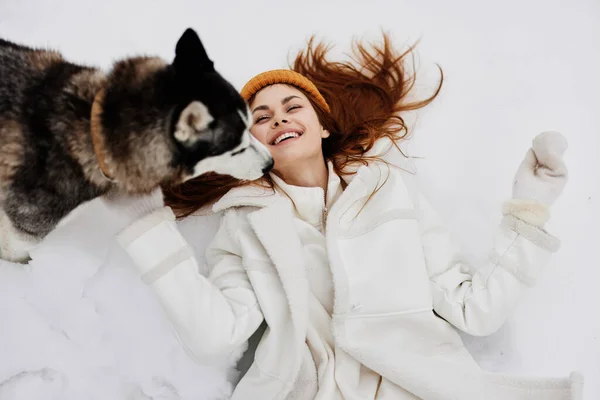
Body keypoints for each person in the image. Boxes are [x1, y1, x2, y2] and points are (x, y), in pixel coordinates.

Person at [106, 33, 582, 399]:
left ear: (324, 125)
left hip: (415, 386)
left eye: (293, 107)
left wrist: (531, 204)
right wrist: (148, 226)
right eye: (261, 118)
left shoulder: (390, 193)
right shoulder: (243, 225)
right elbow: (216, 336)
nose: (278, 120)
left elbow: (474, 309)